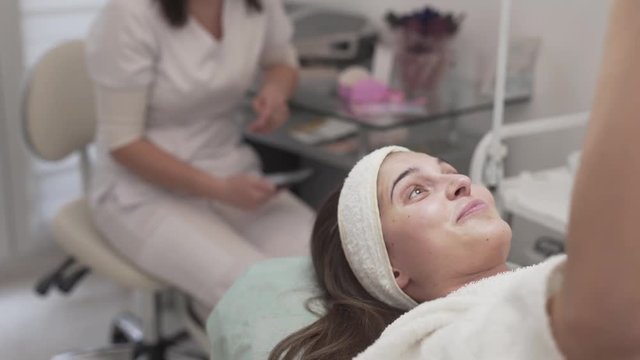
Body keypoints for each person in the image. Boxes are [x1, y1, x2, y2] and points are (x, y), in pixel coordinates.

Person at [270, 1, 640, 359]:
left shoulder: (531, 285)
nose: (460, 182)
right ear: (391, 268)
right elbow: (602, 324)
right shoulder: (429, 342)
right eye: (415, 191)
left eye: (449, 171)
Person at [84, 0, 314, 309]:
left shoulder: (257, 5)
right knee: (261, 293)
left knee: (327, 265)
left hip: (228, 168)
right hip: (139, 192)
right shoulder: (130, 13)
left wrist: (275, 91)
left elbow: (281, 60)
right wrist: (219, 190)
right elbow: (124, 144)